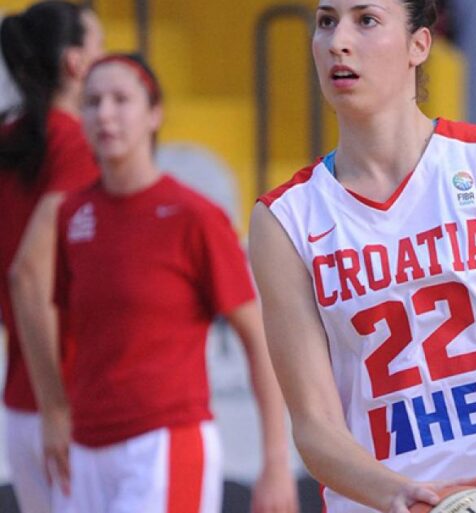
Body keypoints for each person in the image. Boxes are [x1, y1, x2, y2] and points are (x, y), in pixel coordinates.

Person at [248, 1, 476, 513]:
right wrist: (397, 493)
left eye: (366, 20)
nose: (338, 41)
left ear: (419, 44)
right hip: (388, 501)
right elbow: (314, 426)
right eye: (326, 21)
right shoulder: (284, 218)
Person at [34, 53, 298, 513]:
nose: (105, 114)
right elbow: (67, 332)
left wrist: (276, 463)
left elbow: (258, 340)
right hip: (84, 449)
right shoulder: (73, 214)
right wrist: (54, 412)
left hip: (163, 445)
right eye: (93, 102)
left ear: (154, 114)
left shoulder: (194, 216)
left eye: (121, 99)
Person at [0, 2, 103, 511]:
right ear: (75, 63)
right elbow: (27, 277)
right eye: (102, 50)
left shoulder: (10, 140)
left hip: (21, 400)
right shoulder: (78, 146)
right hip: (67, 402)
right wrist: (56, 405)